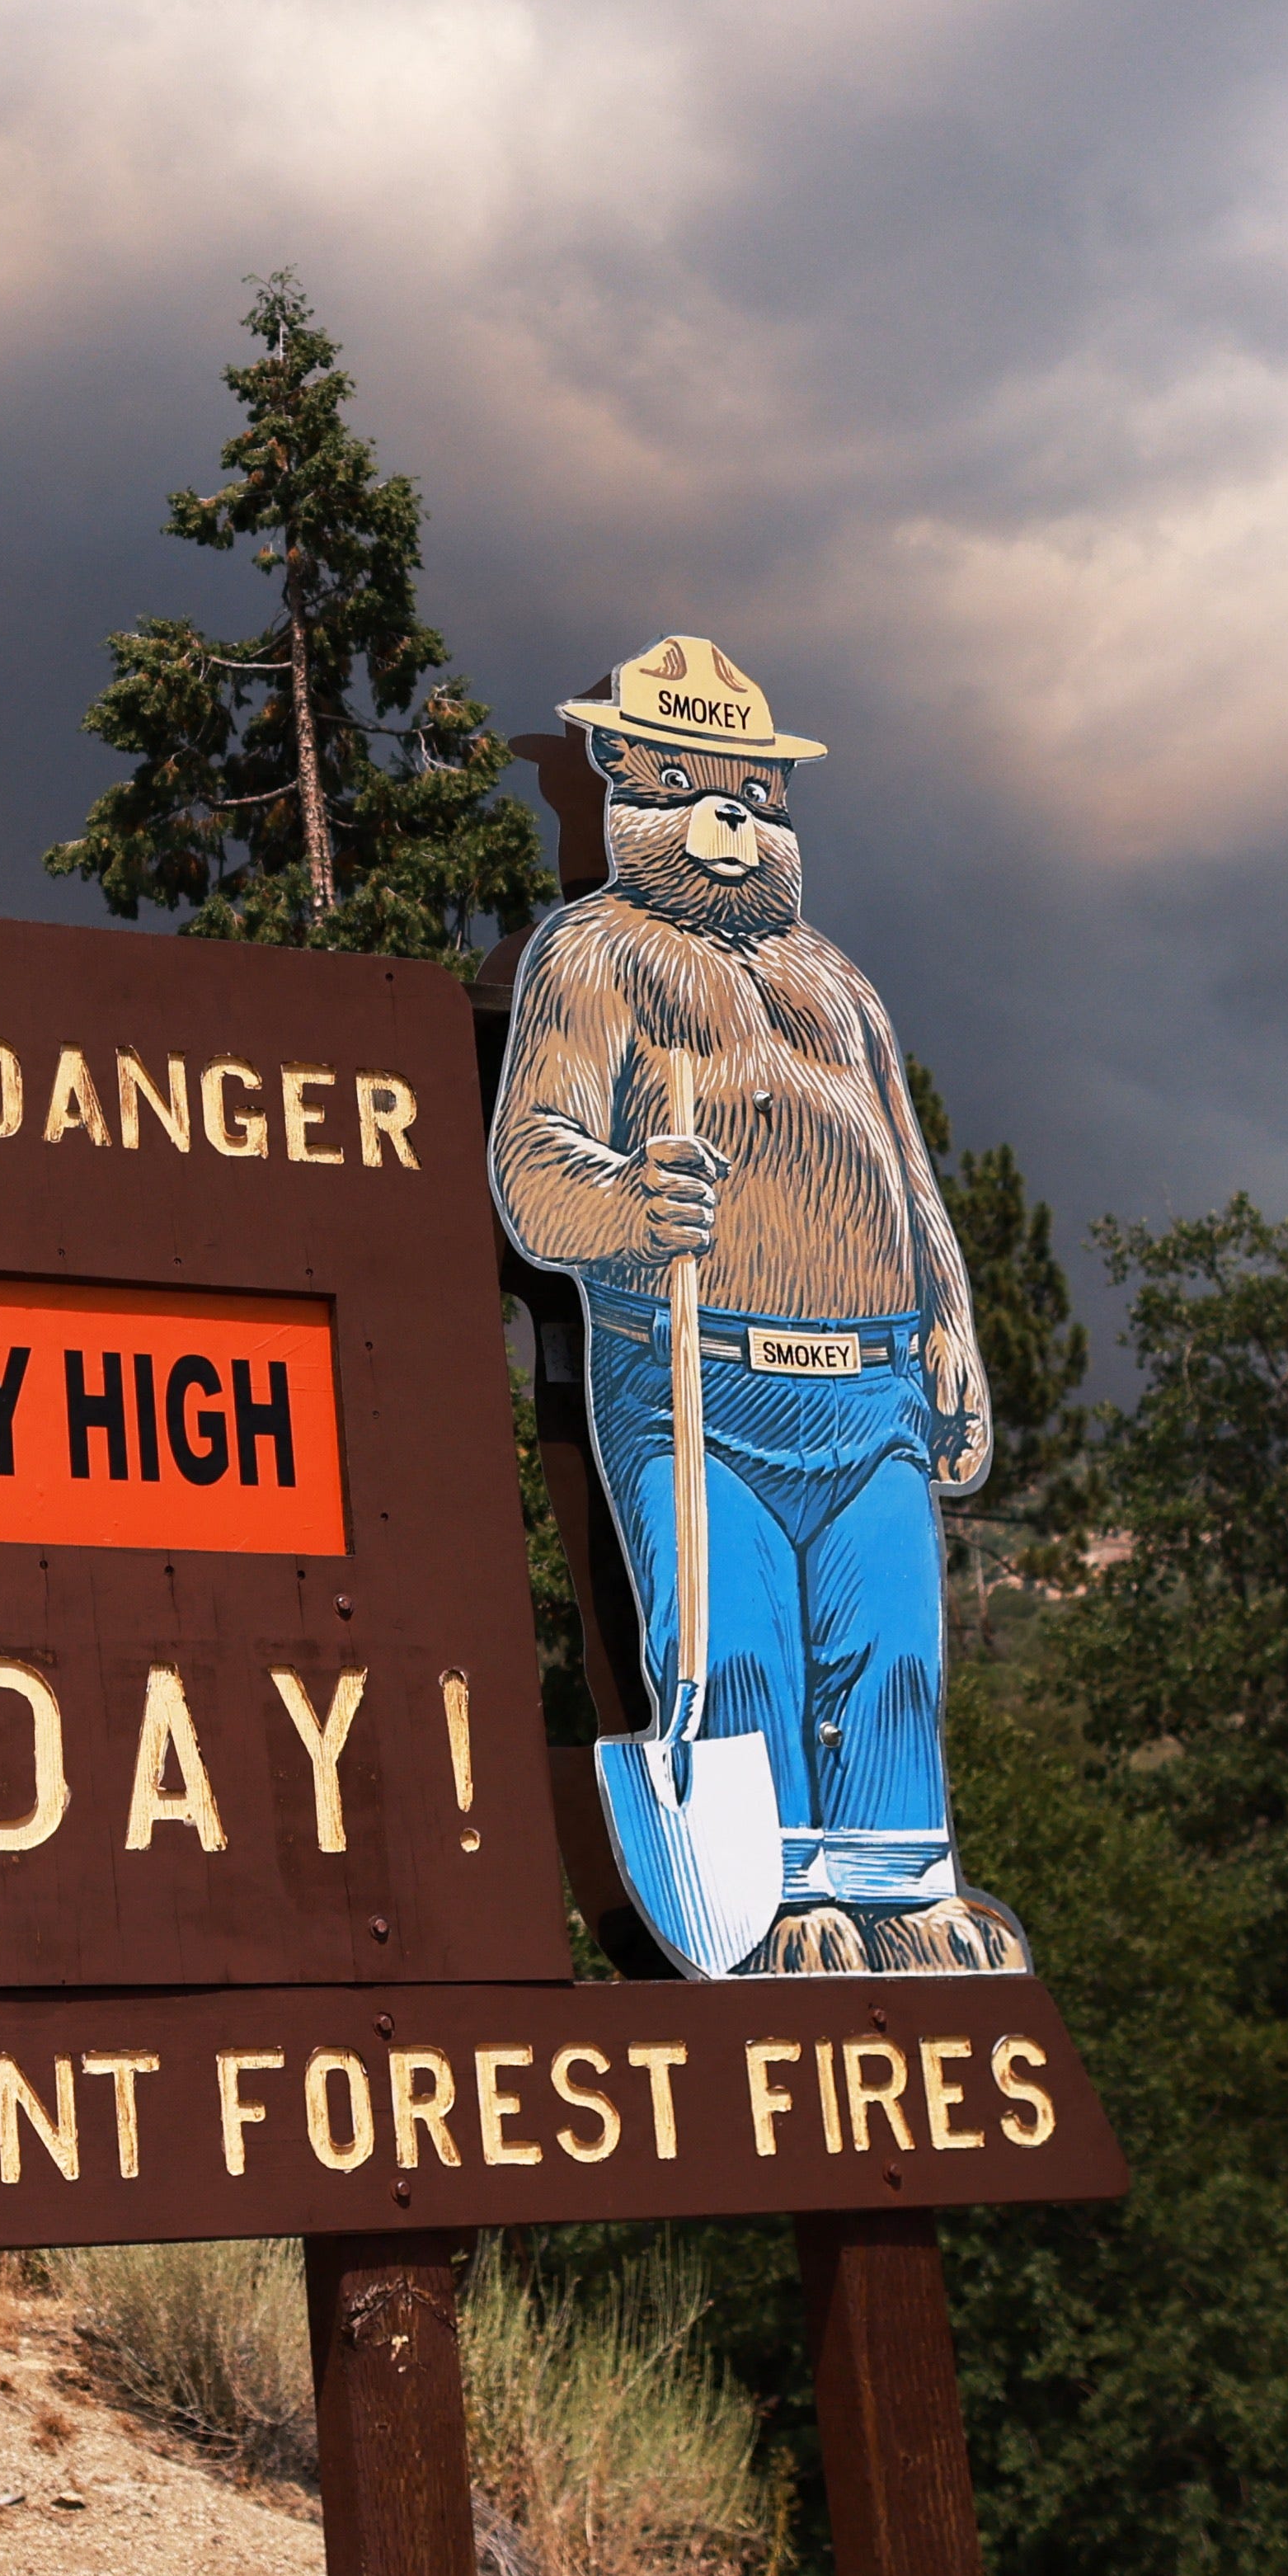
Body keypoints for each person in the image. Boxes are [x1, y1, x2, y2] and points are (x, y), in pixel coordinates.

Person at [487, 636, 1021, 1976]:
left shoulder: (842, 985)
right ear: (621, 788)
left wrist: (950, 1326)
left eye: (753, 793)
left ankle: (906, 1894)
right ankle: (771, 1901)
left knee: (892, 1645)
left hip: (873, 1383)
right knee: (740, 1653)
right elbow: (532, 1166)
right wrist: (625, 1204)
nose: (728, 818)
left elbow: (908, 1170)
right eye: (684, 784)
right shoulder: (594, 957)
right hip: (697, 1380)